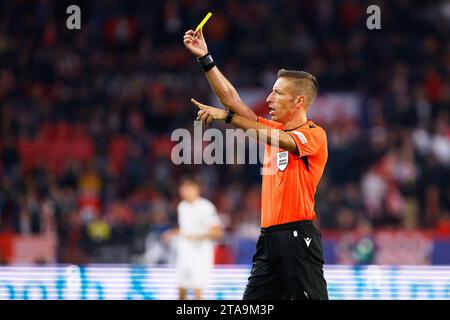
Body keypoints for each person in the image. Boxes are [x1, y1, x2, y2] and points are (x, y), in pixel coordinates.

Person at [183, 28, 329, 300]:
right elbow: (232, 100)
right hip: (268, 240)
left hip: (298, 237)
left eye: (277, 94)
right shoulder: (272, 130)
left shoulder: (314, 135)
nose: (269, 100)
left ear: (299, 101)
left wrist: (227, 119)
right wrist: (206, 58)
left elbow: (275, 138)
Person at [163, 175, 222, 300]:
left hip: (200, 254)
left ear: (196, 189)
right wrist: (172, 233)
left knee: (197, 290)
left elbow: (217, 231)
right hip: (185, 253)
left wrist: (198, 236)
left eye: (188, 188)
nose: (184, 191)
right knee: (181, 288)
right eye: (183, 189)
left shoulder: (206, 207)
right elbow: (185, 229)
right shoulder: (182, 206)